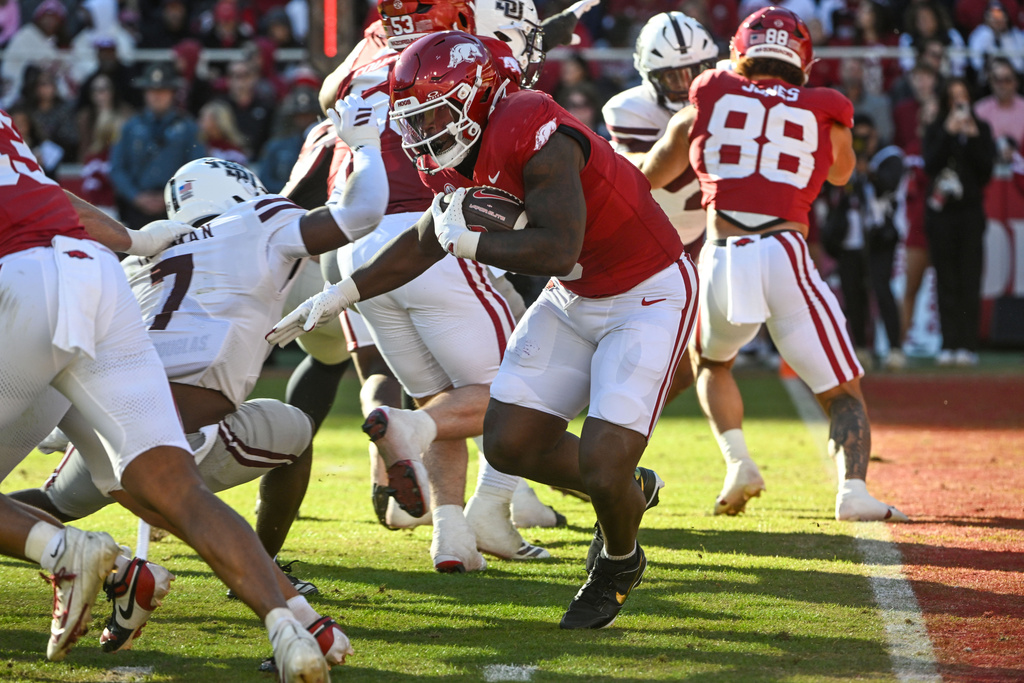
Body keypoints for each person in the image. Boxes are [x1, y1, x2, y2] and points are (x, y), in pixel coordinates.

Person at [270, 30, 698, 629]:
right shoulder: (458, 152)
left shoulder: (532, 125)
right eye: (414, 120)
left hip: (644, 290)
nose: (423, 135)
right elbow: (422, 242)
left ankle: (619, 562)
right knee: (509, 442)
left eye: (434, 115)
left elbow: (557, 245)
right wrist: (339, 293)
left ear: (477, 96)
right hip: (573, 295)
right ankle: (628, 494)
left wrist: (472, 242)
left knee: (604, 464)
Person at [0, 107, 333, 681]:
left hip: (56, 325)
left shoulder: (161, 255)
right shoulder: (259, 232)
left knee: (83, 496)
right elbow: (53, 200)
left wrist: (136, 241)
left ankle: (78, 556)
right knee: (192, 489)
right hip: (92, 283)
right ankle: (296, 621)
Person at [639, 7, 908, 522]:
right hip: (784, 251)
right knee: (842, 389)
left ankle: (739, 462)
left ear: (740, 51)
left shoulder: (708, 94)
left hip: (718, 255)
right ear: (802, 58)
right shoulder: (825, 106)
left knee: (713, 364)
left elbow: (650, 175)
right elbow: (841, 174)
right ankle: (852, 491)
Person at [602, 10, 717, 405]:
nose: (685, 86)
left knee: (689, 369)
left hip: (701, 241)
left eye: (695, 72)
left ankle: (621, 425)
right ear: (650, 76)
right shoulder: (630, 109)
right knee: (662, 365)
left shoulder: (728, 99)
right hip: (647, 247)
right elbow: (650, 176)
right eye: (673, 76)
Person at [922, 78, 995, 366]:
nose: (959, 104)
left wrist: (974, 137)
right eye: (953, 98)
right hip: (941, 216)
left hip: (970, 214)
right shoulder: (936, 129)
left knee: (969, 277)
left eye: (963, 97)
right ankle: (949, 343)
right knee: (946, 279)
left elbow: (985, 172)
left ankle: (968, 344)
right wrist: (948, 134)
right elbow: (930, 165)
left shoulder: (981, 129)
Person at [823, 114, 904, 369]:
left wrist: (868, 171)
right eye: (855, 138)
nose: (860, 143)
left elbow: (889, 185)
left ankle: (894, 348)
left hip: (879, 237)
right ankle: (860, 348)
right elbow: (829, 190)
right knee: (853, 294)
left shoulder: (889, 156)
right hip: (850, 238)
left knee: (881, 288)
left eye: (865, 137)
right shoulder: (843, 160)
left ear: (876, 136)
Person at [109, 62, 205, 229]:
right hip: (136, 208)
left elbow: (197, 169)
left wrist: (171, 197)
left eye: (163, 90)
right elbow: (117, 168)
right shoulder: (130, 127)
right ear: (145, 93)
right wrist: (135, 196)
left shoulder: (188, 128)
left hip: (177, 209)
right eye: (152, 90)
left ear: (172, 93)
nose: (157, 96)